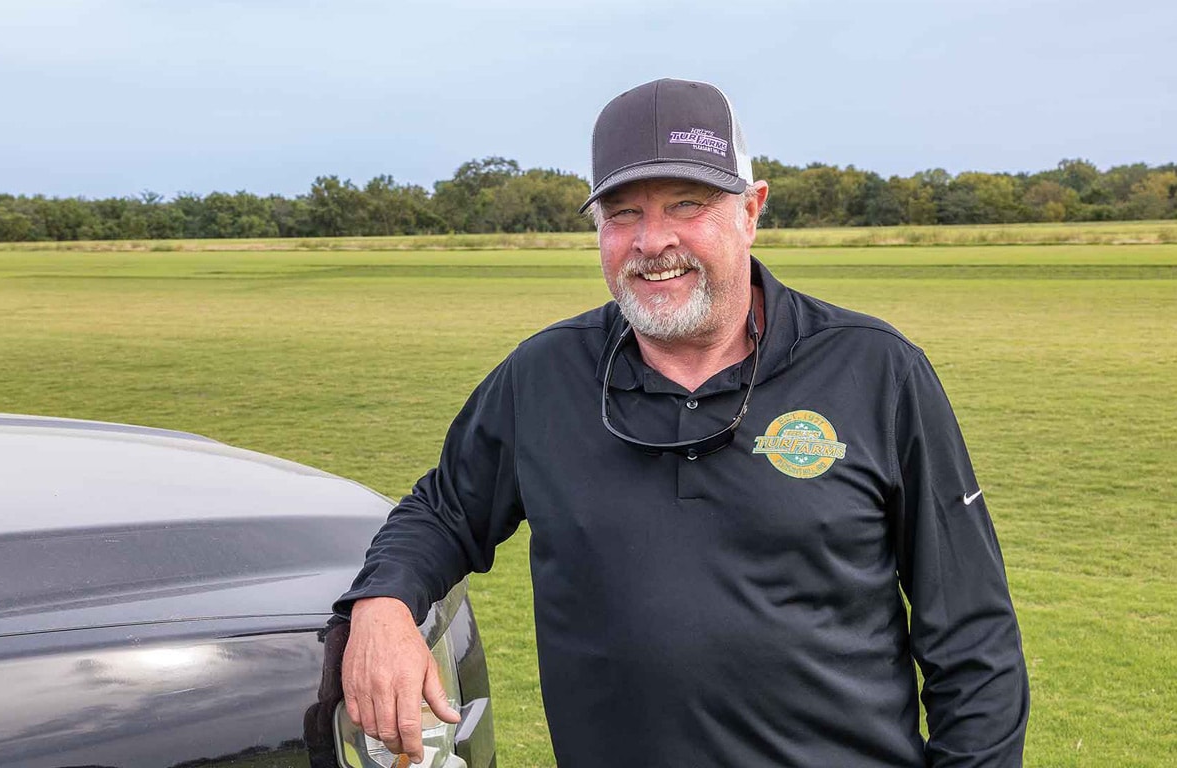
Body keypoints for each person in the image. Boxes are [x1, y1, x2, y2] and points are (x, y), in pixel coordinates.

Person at [333, 78, 1029, 766]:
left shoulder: (877, 371)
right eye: (623, 212)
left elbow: (973, 642)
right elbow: (443, 510)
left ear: (750, 211)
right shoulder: (543, 376)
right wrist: (382, 604)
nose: (652, 240)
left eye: (686, 203)